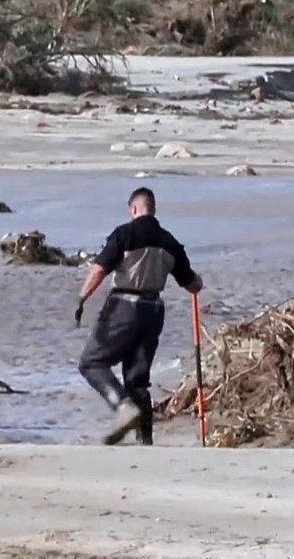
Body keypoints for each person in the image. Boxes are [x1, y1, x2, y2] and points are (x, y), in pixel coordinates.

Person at [75, 187, 203, 445]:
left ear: (133, 209)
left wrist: (82, 298)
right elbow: (192, 285)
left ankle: (122, 406)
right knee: (137, 379)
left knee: (91, 363)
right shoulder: (170, 241)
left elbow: (100, 269)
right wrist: (198, 281)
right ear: (152, 209)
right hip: (154, 311)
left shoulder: (124, 233)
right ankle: (145, 442)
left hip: (124, 306)